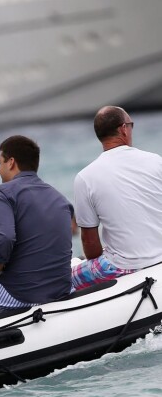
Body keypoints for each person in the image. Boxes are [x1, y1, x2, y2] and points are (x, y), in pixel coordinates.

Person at [0, 135, 74, 317]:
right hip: (61, 292)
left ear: (11, 162)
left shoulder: (2, 193)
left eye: (0, 163)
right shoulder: (62, 200)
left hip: (20, 296)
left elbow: (5, 238)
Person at [72, 106, 162, 290]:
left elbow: (90, 246)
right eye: (131, 125)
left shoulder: (85, 177)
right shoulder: (156, 161)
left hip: (124, 266)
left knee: (62, 278)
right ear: (123, 129)